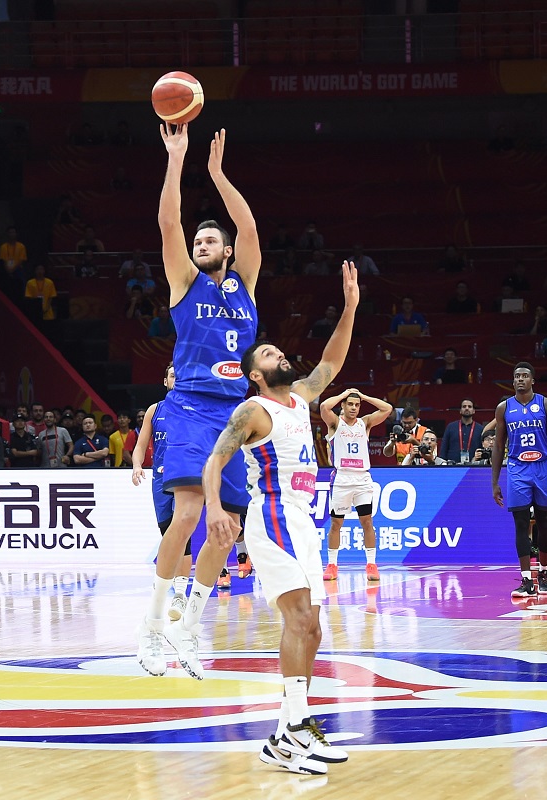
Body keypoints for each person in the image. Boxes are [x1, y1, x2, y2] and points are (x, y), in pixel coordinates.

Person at [202, 262, 358, 775]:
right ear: (255, 373)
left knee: (313, 629)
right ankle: (293, 730)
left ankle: (287, 732)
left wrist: (351, 306)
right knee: (300, 621)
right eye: (270, 354)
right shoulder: (252, 412)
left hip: (304, 525)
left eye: (280, 351)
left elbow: (332, 361)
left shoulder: (301, 398)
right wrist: (213, 507)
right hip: (272, 521)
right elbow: (214, 460)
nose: (281, 356)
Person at [136, 124, 264, 681]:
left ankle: (189, 627)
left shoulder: (246, 285)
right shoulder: (184, 283)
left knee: (226, 530)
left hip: (233, 415)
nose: (200, 245)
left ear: (228, 251)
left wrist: (217, 174)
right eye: (198, 242)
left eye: (210, 241)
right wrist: (178, 158)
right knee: (189, 513)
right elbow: (169, 222)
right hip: (189, 406)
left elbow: (251, 226)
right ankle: (151, 627)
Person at [491, 362, 547, 597]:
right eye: (516, 376)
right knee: (521, 523)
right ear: (512, 382)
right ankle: (526, 579)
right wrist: (494, 482)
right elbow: (498, 445)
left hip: (542, 467)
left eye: (525, 376)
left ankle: (543, 572)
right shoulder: (504, 408)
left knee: (544, 520)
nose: (520, 379)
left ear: (533, 380)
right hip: (517, 468)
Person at [131, 364, 193, 620]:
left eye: (180, 376)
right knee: (168, 533)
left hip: (185, 477)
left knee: (183, 532)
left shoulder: (195, 410)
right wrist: (136, 465)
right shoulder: (154, 411)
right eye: (171, 376)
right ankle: (168, 586)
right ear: (165, 381)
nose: (176, 380)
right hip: (159, 479)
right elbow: (141, 444)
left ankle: (180, 592)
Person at [319, 387, 393, 582]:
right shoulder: (335, 423)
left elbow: (387, 409)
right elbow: (324, 406)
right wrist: (344, 394)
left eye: (357, 405)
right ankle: (332, 565)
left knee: (367, 522)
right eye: (350, 404)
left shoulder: (365, 423)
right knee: (336, 524)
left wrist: (365, 396)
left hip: (362, 479)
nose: (354, 408)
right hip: (341, 479)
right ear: (343, 405)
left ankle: (371, 565)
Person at [440, 398, 482, 464]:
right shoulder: (450, 427)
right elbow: (444, 447)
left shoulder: (480, 429)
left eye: (469, 406)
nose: (467, 408)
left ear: (474, 411)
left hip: (473, 466)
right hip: (452, 466)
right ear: (460, 410)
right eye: (464, 406)